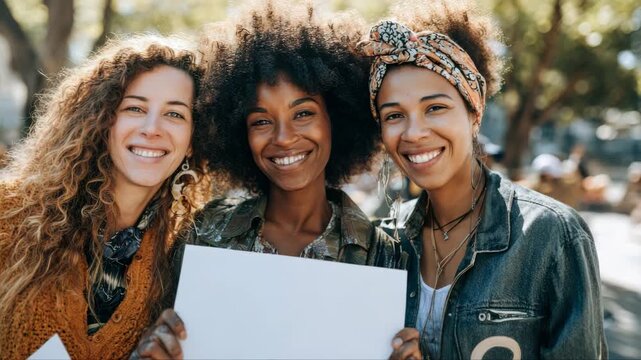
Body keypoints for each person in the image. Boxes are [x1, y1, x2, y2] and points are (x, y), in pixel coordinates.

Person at [131, 2, 419, 359]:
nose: (283, 138)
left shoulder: (386, 257)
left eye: (303, 114)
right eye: (261, 121)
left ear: (337, 120)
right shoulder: (203, 233)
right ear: (240, 134)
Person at [358, 1, 606, 358]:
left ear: (474, 112)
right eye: (394, 115)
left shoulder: (553, 236)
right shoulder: (382, 242)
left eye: (435, 108)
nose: (414, 132)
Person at [0, 35, 211, 359]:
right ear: (102, 119)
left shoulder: (181, 259)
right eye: (135, 108)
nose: (152, 128)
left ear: (193, 139)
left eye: (175, 114)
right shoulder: (8, 211)